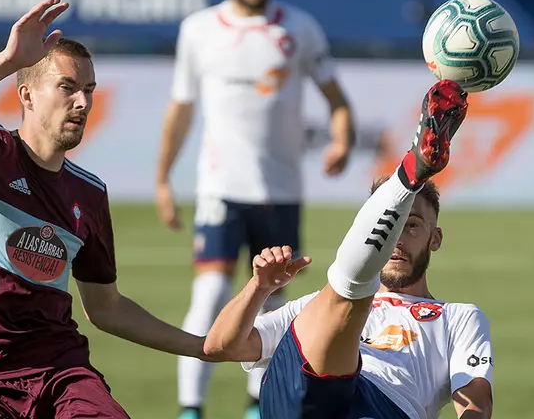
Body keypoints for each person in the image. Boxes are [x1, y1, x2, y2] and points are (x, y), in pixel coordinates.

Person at [0, 0, 209, 419]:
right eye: (68, 88)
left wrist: (202, 347)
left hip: (61, 375)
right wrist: (9, 60)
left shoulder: (89, 195)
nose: (83, 103)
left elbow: (106, 307)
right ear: (25, 94)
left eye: (89, 91)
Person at [202, 80, 495, 419]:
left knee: (341, 296)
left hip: (385, 407)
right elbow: (219, 345)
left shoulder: (457, 318)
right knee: (334, 303)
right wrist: (259, 288)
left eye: (411, 225)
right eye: (391, 228)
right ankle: (408, 177)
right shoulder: (314, 311)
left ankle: (408, 178)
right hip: (302, 396)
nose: (397, 239)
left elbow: (476, 405)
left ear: (436, 238)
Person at [155, 0, 354, 417]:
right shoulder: (199, 29)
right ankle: (191, 407)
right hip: (220, 188)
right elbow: (181, 109)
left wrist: (342, 139)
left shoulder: (300, 28)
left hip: (281, 194)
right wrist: (164, 179)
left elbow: (337, 100)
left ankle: (255, 403)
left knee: (275, 300)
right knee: (210, 293)